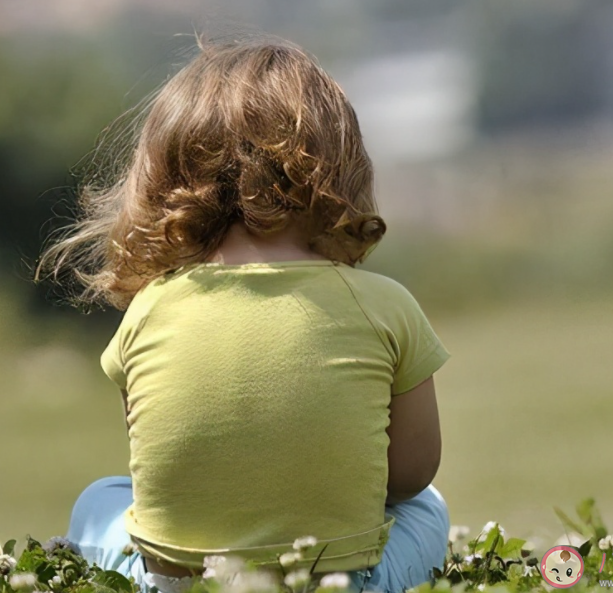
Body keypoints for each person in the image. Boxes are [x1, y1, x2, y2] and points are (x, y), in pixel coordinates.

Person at [36, 34, 451, 593]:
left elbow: (171, 467)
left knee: (100, 499)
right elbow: (411, 475)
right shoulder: (385, 304)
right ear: (341, 170)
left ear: (164, 179)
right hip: (344, 582)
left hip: (181, 583)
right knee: (428, 508)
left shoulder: (150, 308)